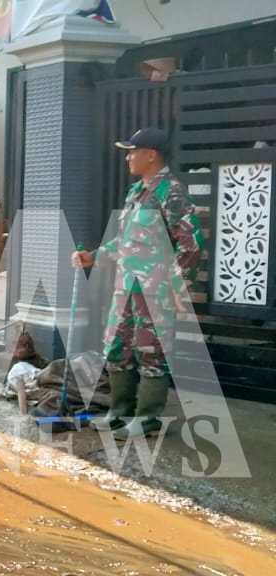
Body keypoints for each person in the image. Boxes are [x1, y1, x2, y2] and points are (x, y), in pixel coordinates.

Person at [73, 128, 202, 441]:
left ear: (151, 155)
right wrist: (94, 257)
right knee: (117, 347)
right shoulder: (136, 192)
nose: (128, 157)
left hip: (154, 291)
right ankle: (119, 411)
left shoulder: (171, 193)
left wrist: (177, 287)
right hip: (126, 289)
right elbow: (127, 241)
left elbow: (190, 245)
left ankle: (147, 418)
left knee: (152, 351)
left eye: (132, 151)